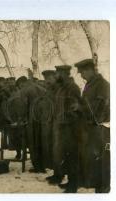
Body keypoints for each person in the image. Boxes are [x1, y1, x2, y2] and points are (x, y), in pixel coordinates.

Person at [75, 58, 110, 193]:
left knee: (102, 162)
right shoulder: (90, 85)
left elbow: (100, 109)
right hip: (91, 128)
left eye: (82, 72)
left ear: (90, 70)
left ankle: (103, 190)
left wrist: (80, 108)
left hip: (101, 129)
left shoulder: (102, 85)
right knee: (93, 162)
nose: (81, 76)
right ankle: (97, 186)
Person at [48, 65, 82, 193]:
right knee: (63, 155)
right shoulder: (61, 88)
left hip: (70, 127)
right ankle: (66, 179)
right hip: (61, 125)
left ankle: (73, 184)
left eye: (58, 73)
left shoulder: (72, 88)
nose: (56, 76)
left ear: (64, 74)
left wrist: (67, 119)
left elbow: (75, 107)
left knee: (71, 155)